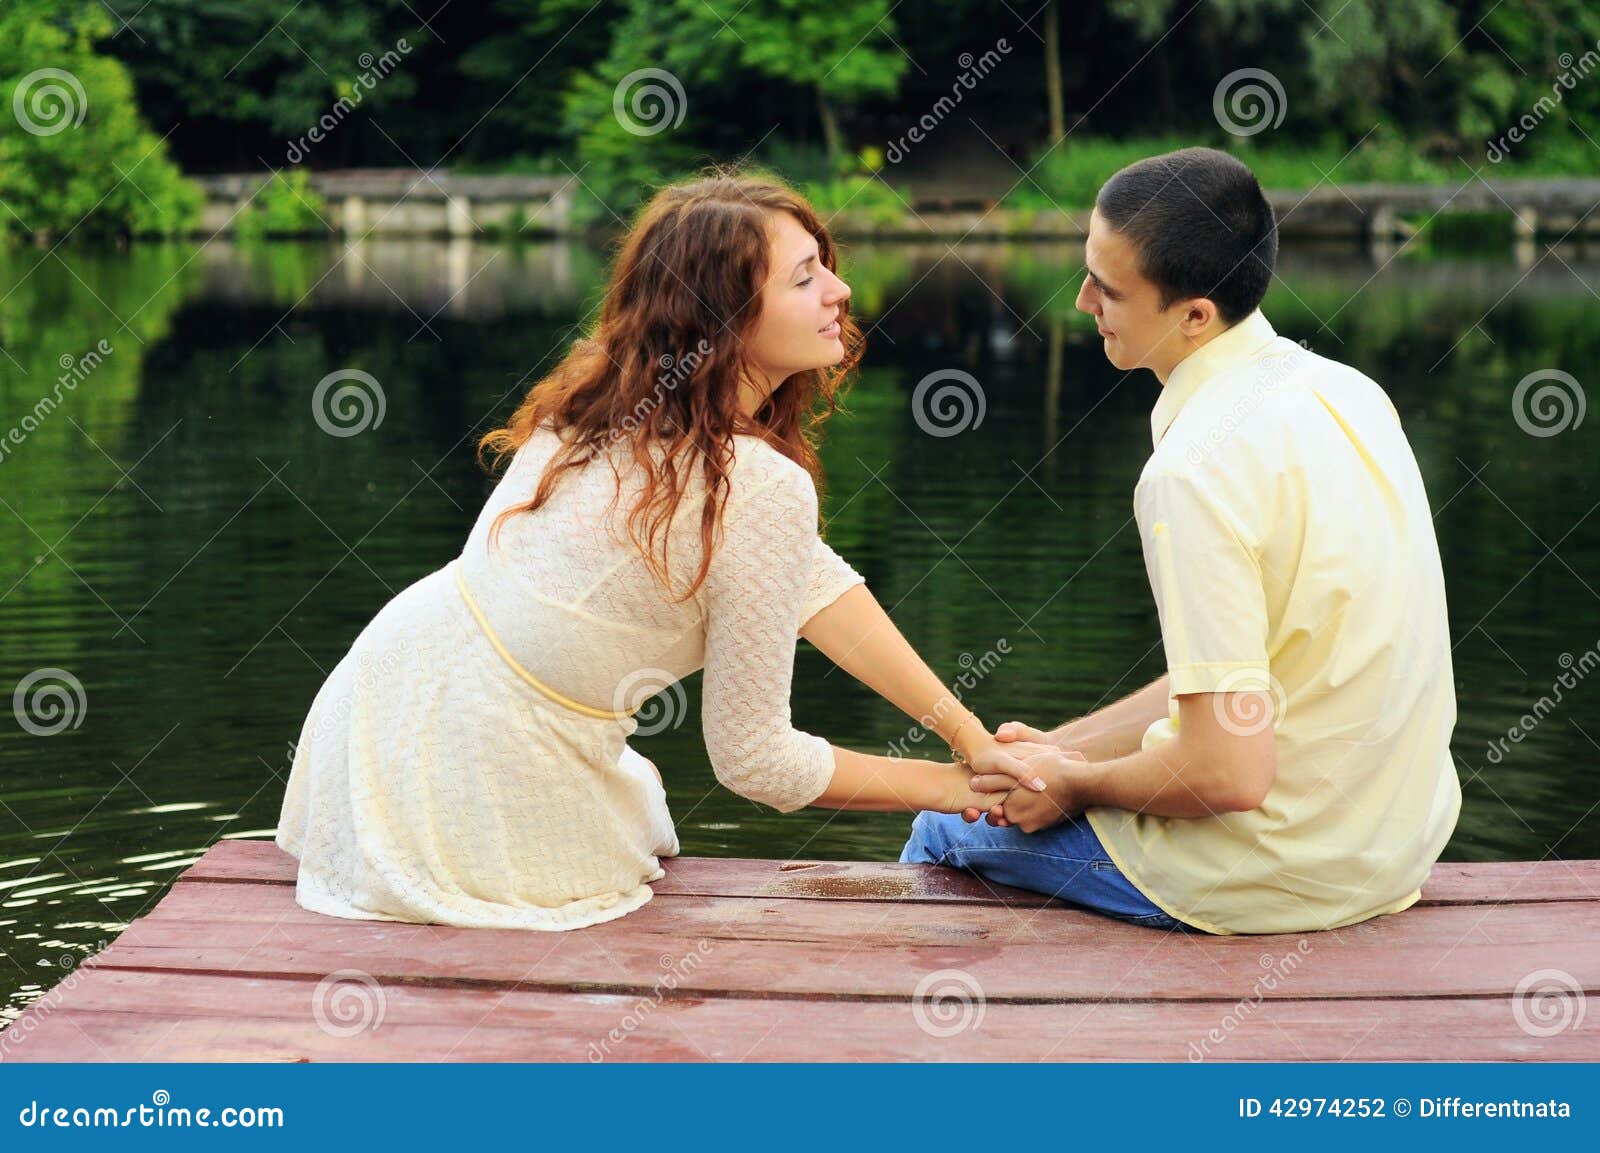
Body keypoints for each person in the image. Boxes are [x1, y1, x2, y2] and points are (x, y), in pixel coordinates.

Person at [275, 170, 1045, 931]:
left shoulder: (594, 401)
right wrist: (954, 789)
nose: (840, 291)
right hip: (488, 769)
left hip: (379, 708)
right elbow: (756, 760)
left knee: (638, 791)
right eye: (805, 277)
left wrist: (966, 734)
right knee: (636, 810)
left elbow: (814, 584)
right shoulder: (755, 482)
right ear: (725, 320)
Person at [902, 147, 1463, 936]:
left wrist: (1076, 785)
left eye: (1107, 288)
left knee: (945, 827)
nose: (1081, 301)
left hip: (1278, 873)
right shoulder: (1351, 394)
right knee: (1006, 792)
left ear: (1195, 315)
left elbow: (1227, 771)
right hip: (1393, 850)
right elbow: (1244, 681)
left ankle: (931, 1011)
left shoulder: (1192, 469)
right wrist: (1058, 751)